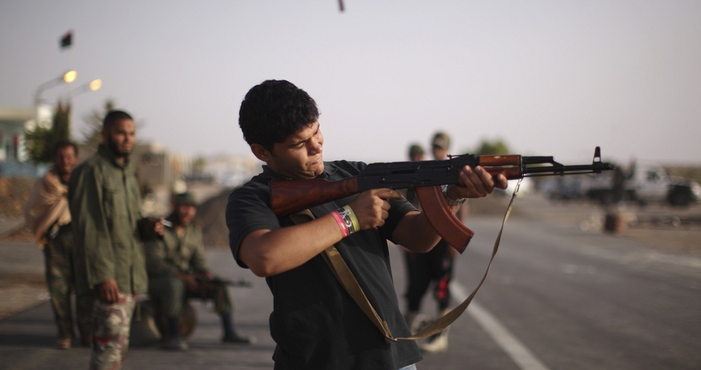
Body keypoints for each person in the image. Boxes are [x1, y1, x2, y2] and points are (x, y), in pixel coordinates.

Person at [226, 80, 506, 370]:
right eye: (299, 143)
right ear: (262, 152)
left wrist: (452, 196)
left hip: (392, 357)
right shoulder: (254, 197)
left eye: (317, 131)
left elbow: (418, 238)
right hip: (315, 361)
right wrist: (351, 218)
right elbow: (264, 256)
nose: (316, 145)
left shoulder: (355, 174)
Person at [69, 110, 157, 370]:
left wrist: (149, 228)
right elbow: (90, 228)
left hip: (127, 277)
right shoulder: (91, 172)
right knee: (107, 351)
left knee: (117, 350)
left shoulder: (127, 173)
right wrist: (102, 275)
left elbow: (128, 225)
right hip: (109, 279)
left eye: (131, 134)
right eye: (120, 133)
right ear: (105, 134)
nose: (127, 139)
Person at [145, 192, 255, 350]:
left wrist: (204, 275)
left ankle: (229, 333)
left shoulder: (193, 230)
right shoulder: (159, 228)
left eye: (191, 208)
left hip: (184, 279)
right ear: (175, 207)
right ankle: (174, 336)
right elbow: (154, 263)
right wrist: (184, 277)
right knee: (174, 286)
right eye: (184, 207)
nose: (187, 212)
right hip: (158, 280)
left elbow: (199, 259)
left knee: (218, 284)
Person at [23, 140, 92, 349]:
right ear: (55, 159)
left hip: (83, 241)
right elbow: (33, 209)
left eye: (69, 157)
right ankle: (65, 334)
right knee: (58, 290)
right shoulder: (46, 183)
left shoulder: (84, 181)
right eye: (61, 157)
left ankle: (87, 334)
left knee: (85, 290)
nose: (66, 161)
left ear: (76, 158)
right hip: (57, 241)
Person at [402, 132, 464, 354]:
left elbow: (461, 206)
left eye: (441, 147)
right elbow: (410, 203)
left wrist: (453, 240)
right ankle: (406, 334)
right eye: (435, 147)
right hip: (422, 238)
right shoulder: (424, 171)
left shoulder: (454, 172)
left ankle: (442, 335)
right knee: (415, 288)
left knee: (441, 289)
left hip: (443, 241)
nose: (438, 151)